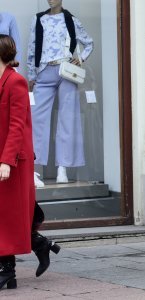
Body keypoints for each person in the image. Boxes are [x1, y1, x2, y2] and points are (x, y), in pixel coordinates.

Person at [27, 0, 94, 187]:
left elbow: (89, 43)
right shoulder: (38, 19)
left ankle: (62, 168)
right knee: (37, 119)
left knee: (67, 119)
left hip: (66, 72)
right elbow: (32, 50)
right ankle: (34, 168)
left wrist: (79, 59)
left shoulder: (70, 19)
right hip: (44, 71)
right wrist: (31, 76)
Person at [0, 34, 34, 289]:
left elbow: (16, 125)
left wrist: (6, 161)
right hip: (3, 156)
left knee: (8, 216)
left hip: (12, 160)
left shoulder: (16, 82)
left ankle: (7, 269)